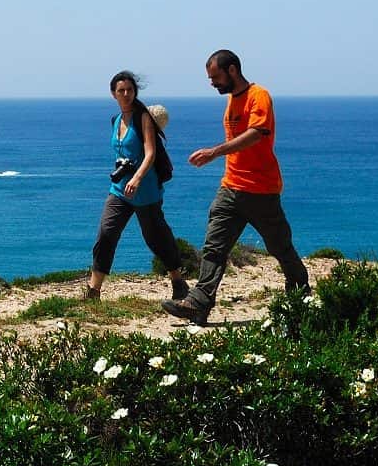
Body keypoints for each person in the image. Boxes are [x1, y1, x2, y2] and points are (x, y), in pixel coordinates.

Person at [161, 50, 309, 324]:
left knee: (280, 247)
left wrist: (215, 152)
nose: (212, 83)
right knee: (214, 246)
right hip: (231, 187)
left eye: (215, 77)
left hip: (261, 189)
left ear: (231, 70)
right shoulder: (231, 101)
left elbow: (255, 134)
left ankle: (301, 292)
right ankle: (199, 303)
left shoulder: (258, 96)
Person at [87, 71, 188, 302]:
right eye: (121, 90)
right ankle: (94, 291)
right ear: (113, 93)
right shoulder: (115, 120)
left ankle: (178, 281)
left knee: (156, 237)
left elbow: (150, 152)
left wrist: (137, 178)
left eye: (130, 90)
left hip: (146, 190)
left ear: (135, 92)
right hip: (120, 190)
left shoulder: (143, 118)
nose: (125, 94)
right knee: (106, 233)